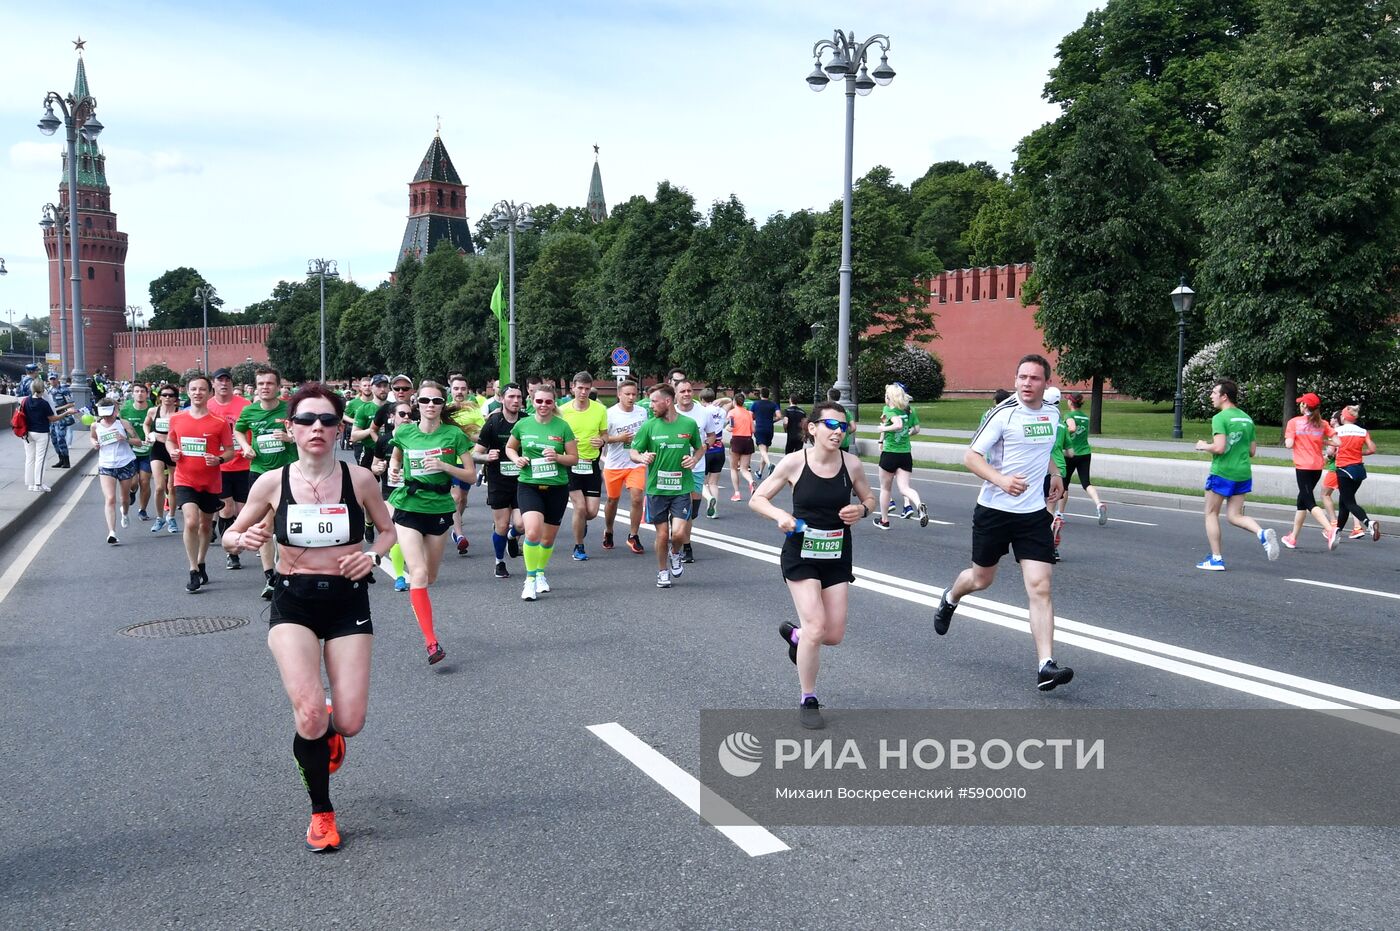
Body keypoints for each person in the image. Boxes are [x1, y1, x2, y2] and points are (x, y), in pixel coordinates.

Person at [221, 383, 396, 853]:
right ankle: (321, 811)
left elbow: (387, 531)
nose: (316, 428)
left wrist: (372, 558)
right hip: (293, 602)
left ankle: (328, 735)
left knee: (351, 721)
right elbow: (230, 537)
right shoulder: (271, 482)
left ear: (339, 428)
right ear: (291, 428)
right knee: (310, 713)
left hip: (347, 601)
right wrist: (244, 541)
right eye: (305, 420)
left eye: (325, 420)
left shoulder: (358, 479)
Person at [930, 355, 1075, 691]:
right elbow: (970, 457)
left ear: (1046, 383)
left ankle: (1045, 665)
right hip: (994, 511)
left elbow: (1045, 449)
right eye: (1022, 377)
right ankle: (950, 597)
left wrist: (1054, 474)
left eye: (1034, 378)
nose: (1027, 383)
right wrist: (1001, 480)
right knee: (981, 579)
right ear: (1015, 380)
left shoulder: (1052, 413)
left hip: (1032, 514)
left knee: (1041, 586)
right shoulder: (1002, 414)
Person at [751, 401, 876, 729]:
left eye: (843, 426)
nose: (839, 432)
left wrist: (862, 510)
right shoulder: (794, 462)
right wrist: (781, 515)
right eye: (831, 425)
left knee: (832, 635)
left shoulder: (852, 464)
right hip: (801, 553)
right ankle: (809, 698)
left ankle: (798, 638)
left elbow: (872, 499)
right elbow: (758, 498)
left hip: (837, 553)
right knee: (817, 627)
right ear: (812, 428)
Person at [387, 380, 475, 664]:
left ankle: (418, 593)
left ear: (442, 404)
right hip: (408, 505)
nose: (430, 406)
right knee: (419, 573)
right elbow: (395, 459)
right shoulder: (404, 432)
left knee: (430, 576)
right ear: (417, 404)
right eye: (425, 401)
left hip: (438, 507)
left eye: (436, 402)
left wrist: (446, 467)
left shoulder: (453, 435)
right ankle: (431, 642)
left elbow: (471, 476)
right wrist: (393, 471)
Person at [1192, 378, 1280, 570]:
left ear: (1224, 397)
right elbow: (1252, 451)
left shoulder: (1220, 418)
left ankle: (1216, 558)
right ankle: (1261, 533)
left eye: (1214, 393)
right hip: (1243, 472)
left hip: (1223, 472)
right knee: (1234, 516)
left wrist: (1203, 446)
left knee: (1210, 513)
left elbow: (1220, 448)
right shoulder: (1247, 418)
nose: (1211, 396)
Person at [506, 384, 578, 600]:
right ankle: (529, 580)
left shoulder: (562, 427)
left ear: (554, 403)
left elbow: (574, 458)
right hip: (529, 485)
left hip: (556, 487)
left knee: (547, 540)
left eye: (548, 401)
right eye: (539, 401)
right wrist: (516, 458)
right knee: (533, 532)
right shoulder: (523, 424)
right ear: (532, 401)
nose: (543, 405)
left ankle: (539, 573)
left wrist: (557, 457)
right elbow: (510, 447)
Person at [630, 383, 704, 588]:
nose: (651, 405)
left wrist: (695, 459)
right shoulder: (649, 426)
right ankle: (662, 571)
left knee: (679, 533)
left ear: (668, 401)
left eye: (654, 401)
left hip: (681, 487)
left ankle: (675, 554)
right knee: (662, 534)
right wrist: (641, 457)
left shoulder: (688, 424)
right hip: (657, 489)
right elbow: (633, 452)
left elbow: (700, 447)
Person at [168, 374, 237, 592]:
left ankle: (201, 560)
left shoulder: (219, 423)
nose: (197, 393)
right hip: (184, 478)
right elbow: (170, 439)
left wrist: (218, 459)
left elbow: (229, 451)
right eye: (193, 389)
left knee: (206, 525)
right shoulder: (177, 418)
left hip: (210, 481)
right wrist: (173, 452)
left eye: (202, 389)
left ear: (209, 393)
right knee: (190, 522)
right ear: (187, 392)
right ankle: (193, 570)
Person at [234, 366, 298, 598]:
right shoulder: (249, 411)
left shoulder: (290, 409)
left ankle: (285, 570)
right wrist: (246, 446)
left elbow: (305, 433)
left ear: (278, 386)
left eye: (269, 383)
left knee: (284, 525)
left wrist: (290, 438)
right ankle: (271, 575)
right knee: (264, 527)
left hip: (288, 473)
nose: (264, 388)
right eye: (260, 384)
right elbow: (239, 430)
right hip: (259, 473)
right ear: (255, 386)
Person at [473, 382, 526, 579]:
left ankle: (513, 537)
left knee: (521, 525)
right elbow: (475, 454)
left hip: (523, 480)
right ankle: (499, 561)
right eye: (511, 397)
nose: (516, 401)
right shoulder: (493, 423)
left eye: (519, 397)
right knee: (501, 525)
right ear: (502, 399)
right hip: (499, 480)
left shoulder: (527, 421)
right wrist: (487, 456)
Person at [558, 372, 609, 561]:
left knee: (592, 512)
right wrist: (568, 443)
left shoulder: (599, 410)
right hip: (571, 464)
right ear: (573, 388)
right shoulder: (562, 410)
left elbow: (605, 435)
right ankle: (579, 546)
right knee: (579, 508)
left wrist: (601, 441)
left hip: (591, 464)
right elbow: (556, 438)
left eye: (587, 389)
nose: (583, 392)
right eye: (580, 388)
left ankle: (581, 524)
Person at [1281, 392, 1337, 550]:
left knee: (1309, 501)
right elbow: (1337, 440)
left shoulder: (1294, 422)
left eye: (1301, 403)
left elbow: (1289, 444)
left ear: (1305, 406)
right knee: (1302, 501)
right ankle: (1292, 537)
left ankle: (1330, 529)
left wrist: (1290, 439)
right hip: (1317, 468)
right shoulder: (1322, 423)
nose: (1300, 404)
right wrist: (1326, 441)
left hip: (1303, 467)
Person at [208, 368, 252, 570]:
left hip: (244, 464)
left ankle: (236, 540)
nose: (224, 384)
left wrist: (251, 448)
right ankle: (232, 553)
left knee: (243, 512)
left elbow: (256, 429)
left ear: (232, 384)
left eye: (227, 380)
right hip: (220, 465)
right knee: (226, 509)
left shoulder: (245, 405)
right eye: (220, 380)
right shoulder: (207, 406)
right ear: (214, 384)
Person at [871, 383, 929, 530]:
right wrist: (908, 433)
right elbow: (917, 429)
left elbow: (897, 425)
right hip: (905, 454)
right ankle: (918, 505)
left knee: (885, 489)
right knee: (904, 487)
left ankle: (884, 520)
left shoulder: (889, 409)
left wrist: (883, 428)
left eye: (886, 396)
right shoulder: (910, 410)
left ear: (889, 398)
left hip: (890, 453)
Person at [602, 380, 648, 554]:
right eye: (627, 394)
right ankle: (609, 530)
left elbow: (647, 433)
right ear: (619, 395)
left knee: (637, 497)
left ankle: (633, 535)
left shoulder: (642, 412)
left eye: (634, 394)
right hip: (614, 463)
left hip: (635, 462)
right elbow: (603, 438)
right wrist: (618, 438)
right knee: (612, 500)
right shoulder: (609, 414)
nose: (631, 397)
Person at [1329, 404, 1381, 549]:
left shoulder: (1337, 431)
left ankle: (1369, 523)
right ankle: (1337, 533)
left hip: (1344, 469)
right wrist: (1360, 453)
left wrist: (1328, 455)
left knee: (1349, 502)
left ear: (1343, 416)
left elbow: (1331, 451)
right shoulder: (1363, 432)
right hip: (1358, 470)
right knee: (1344, 502)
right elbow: (1372, 449)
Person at [674, 380, 714, 562]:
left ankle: (678, 531)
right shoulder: (670, 412)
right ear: (676, 393)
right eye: (682, 391)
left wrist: (704, 446)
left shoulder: (704, 413)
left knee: (693, 511)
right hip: (674, 467)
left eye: (689, 390)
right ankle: (686, 547)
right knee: (684, 508)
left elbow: (712, 435)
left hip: (697, 466)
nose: (686, 394)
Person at [445, 374, 485, 556]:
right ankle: (460, 535)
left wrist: (465, 434)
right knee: (455, 498)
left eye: (462, 389)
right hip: (449, 460)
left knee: (463, 499)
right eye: (456, 388)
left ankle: (455, 526)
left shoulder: (474, 411)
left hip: (468, 460)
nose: (459, 392)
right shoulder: (444, 410)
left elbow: (482, 436)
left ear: (467, 390)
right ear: (450, 390)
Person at [90, 397, 138, 544]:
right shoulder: (95, 426)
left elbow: (138, 441)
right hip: (106, 465)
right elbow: (92, 438)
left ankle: (125, 512)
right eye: (104, 415)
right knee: (110, 498)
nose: (107, 417)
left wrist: (124, 439)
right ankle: (112, 532)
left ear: (115, 411)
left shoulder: (123, 423)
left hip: (125, 462)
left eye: (109, 414)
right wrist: (95, 443)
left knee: (124, 499)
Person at [19, 378, 74, 492]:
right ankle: (38, 484)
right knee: (40, 459)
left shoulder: (25, 401)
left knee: (29, 458)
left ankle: (30, 484)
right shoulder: (44, 403)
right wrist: (67, 412)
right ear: (42, 389)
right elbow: (53, 419)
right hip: (41, 433)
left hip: (27, 433)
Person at [1062, 392, 1107, 525]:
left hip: (1071, 454)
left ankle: (1060, 513)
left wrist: (1063, 432)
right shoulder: (1085, 418)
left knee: (1064, 485)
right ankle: (1098, 504)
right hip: (1085, 453)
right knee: (1086, 483)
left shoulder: (1069, 415)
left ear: (1071, 402)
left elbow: (1072, 427)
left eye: (1068, 400)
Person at [119, 383, 154, 520]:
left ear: (147, 393)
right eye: (137, 391)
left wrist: (151, 437)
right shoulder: (126, 409)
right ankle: (132, 492)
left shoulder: (152, 409)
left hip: (148, 451)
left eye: (142, 391)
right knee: (133, 483)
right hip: (130, 451)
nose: (140, 394)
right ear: (132, 394)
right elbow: (119, 426)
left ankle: (143, 509)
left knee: (144, 481)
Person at [727, 390, 756, 500]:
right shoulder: (748, 413)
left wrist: (727, 428)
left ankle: (737, 493)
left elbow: (731, 427)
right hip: (748, 440)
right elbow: (753, 429)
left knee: (734, 468)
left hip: (737, 440)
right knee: (744, 468)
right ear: (743, 402)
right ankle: (751, 481)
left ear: (734, 401)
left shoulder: (732, 413)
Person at [749, 388, 782, 479]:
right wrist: (772, 421)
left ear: (760, 395)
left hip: (759, 428)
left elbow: (750, 416)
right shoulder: (773, 404)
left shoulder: (755, 404)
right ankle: (760, 472)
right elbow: (779, 416)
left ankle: (769, 465)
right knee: (765, 451)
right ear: (768, 395)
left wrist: (756, 418)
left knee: (762, 450)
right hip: (769, 428)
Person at [46, 372, 75, 470]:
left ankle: (66, 461)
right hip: (52, 417)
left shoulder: (64, 390)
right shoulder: (48, 390)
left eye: (54, 379)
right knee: (54, 440)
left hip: (62, 416)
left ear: (57, 379)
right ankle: (61, 459)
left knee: (60, 438)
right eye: (51, 379)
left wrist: (57, 408)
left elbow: (71, 404)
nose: (52, 381)